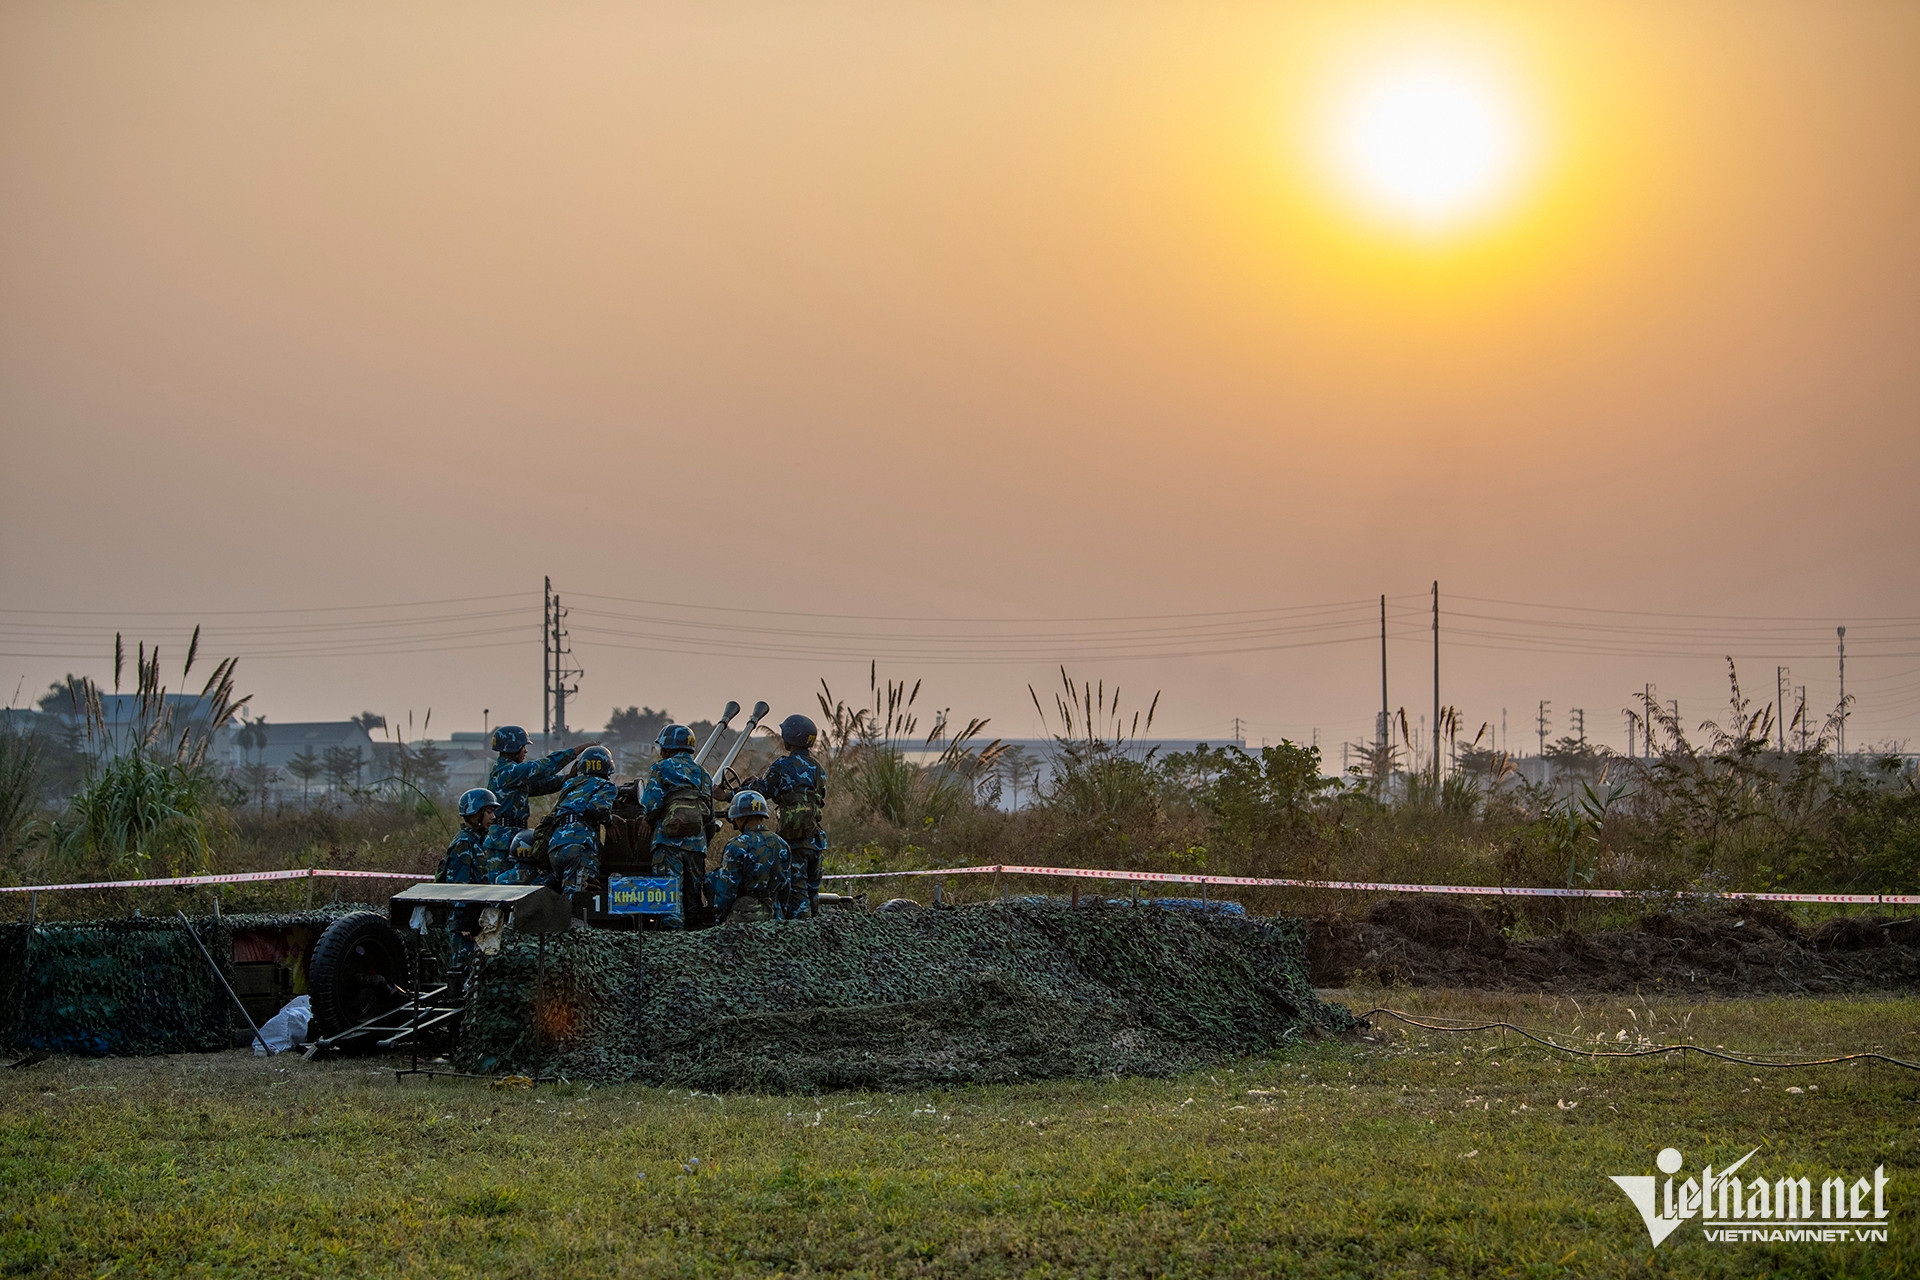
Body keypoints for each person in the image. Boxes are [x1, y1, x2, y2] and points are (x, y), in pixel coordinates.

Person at [747, 713, 827, 917]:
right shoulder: (818, 769)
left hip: (794, 842)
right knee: (812, 893)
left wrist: (735, 791)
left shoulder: (782, 766)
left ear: (789, 739)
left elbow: (762, 792)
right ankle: (818, 935)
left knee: (796, 895)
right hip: (815, 840)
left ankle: (800, 939)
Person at [638, 724, 715, 930]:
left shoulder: (661, 769)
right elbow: (710, 814)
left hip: (668, 844)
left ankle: (673, 945)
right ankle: (692, 943)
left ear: (666, 748)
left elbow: (651, 803)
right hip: (696, 846)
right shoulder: (702, 773)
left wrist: (648, 820)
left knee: (669, 897)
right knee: (693, 900)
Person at [486, 724, 594, 843]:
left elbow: (540, 786)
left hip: (509, 836)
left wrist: (567, 778)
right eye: (523, 747)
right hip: (503, 839)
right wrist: (577, 751)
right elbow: (545, 766)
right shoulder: (510, 771)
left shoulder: (508, 773)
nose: (525, 751)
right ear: (513, 748)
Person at [706, 790, 797, 923]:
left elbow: (726, 890)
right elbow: (785, 888)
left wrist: (718, 918)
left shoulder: (736, 846)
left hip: (744, 917)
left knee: (711, 878)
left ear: (742, 817)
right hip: (774, 916)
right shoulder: (782, 844)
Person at [438, 787, 498, 969]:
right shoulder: (463, 843)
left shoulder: (478, 842)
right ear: (475, 814)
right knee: (462, 973)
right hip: (464, 926)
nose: (493, 817)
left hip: (476, 921)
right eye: (488, 812)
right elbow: (457, 887)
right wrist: (466, 924)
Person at [546, 745, 616, 898]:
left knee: (561, 895)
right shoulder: (606, 785)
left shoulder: (569, 784)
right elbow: (597, 808)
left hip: (556, 845)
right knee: (579, 898)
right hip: (579, 846)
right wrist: (610, 822)